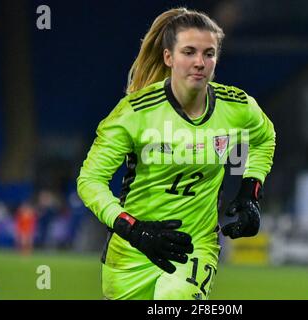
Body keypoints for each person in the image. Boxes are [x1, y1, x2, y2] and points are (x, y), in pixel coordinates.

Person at [77, 7, 276, 300]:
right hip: (131, 254)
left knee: (175, 299)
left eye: (209, 53)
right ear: (169, 57)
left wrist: (250, 191)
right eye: (189, 52)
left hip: (196, 247)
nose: (199, 62)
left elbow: (265, 138)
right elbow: (90, 181)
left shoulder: (237, 107)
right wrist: (135, 230)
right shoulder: (134, 113)